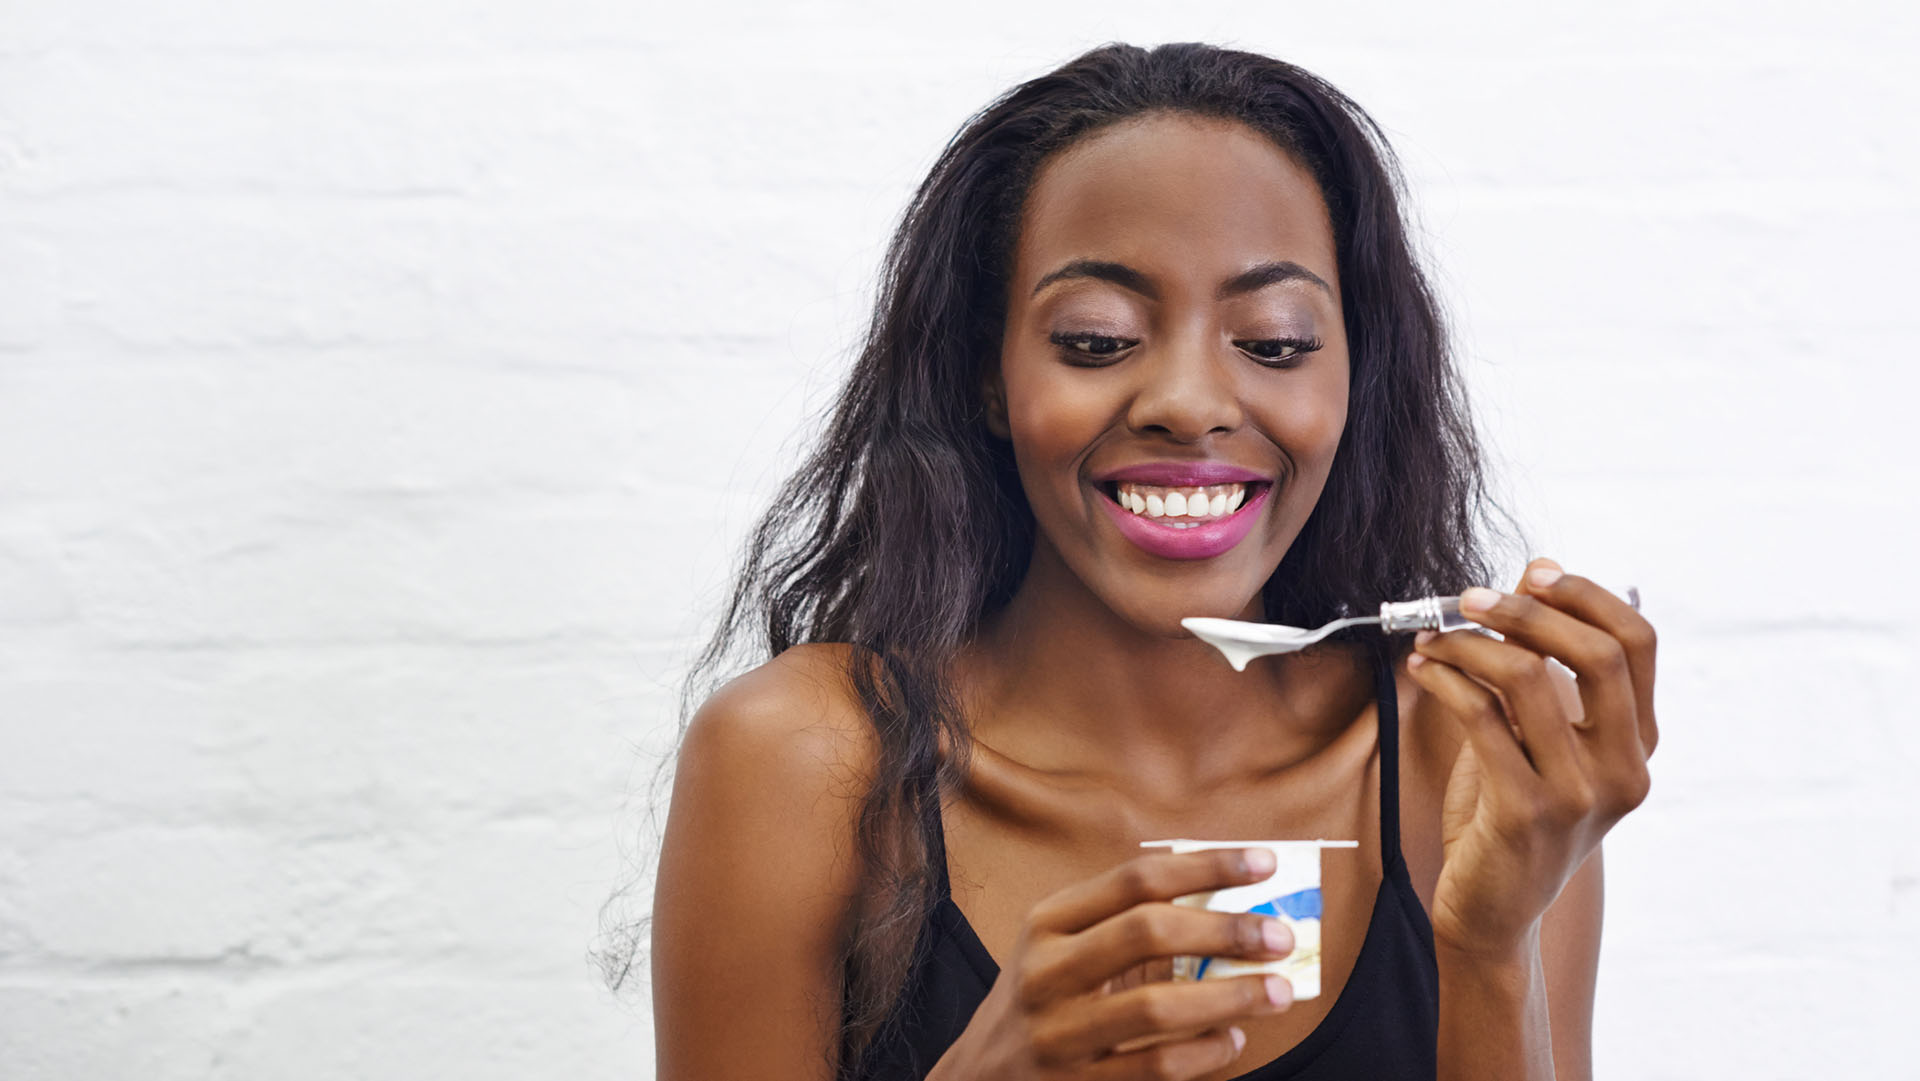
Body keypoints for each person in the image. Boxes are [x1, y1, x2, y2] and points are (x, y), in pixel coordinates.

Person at [637, 41, 1658, 1081]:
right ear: (988, 375)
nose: (1189, 402)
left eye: (1272, 342)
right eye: (1095, 338)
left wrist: (1487, 951)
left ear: (1356, 379)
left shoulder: (1481, 769)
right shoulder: (807, 758)